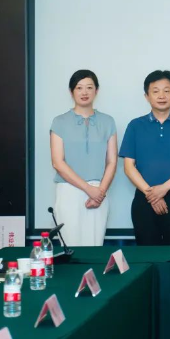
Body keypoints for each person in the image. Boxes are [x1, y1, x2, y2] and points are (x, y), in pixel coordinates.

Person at [119, 70, 170, 245]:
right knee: (146, 253)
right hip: (144, 198)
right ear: (146, 96)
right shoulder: (135, 126)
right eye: (155, 91)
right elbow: (128, 167)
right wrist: (152, 194)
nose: (161, 96)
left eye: (167, 90)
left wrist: (164, 188)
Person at [50, 69, 117, 246]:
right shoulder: (59, 121)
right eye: (79, 88)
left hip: (99, 192)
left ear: (97, 90)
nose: (84, 92)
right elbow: (58, 162)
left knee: (95, 244)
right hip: (69, 189)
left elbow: (112, 161)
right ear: (71, 91)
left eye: (89, 87)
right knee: (70, 245)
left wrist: (100, 192)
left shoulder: (108, 121)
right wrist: (88, 189)